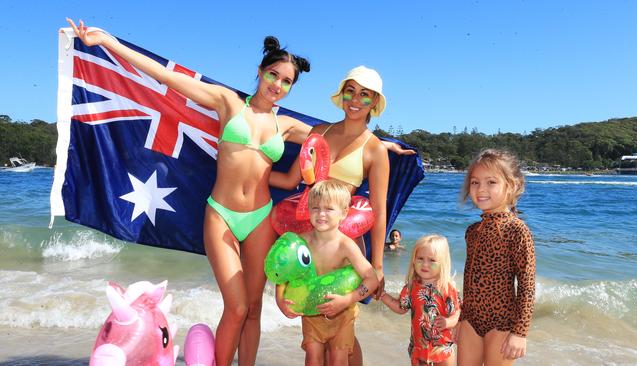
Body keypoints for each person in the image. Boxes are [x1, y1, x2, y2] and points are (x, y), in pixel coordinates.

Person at [67, 19, 313, 366]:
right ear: (260, 72)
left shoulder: (285, 126)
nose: (278, 85)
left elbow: (334, 138)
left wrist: (382, 148)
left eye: (287, 81)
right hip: (222, 215)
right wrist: (108, 42)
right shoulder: (228, 103)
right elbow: (168, 79)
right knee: (238, 305)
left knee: (255, 308)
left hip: (261, 217)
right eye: (273, 75)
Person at [270, 65, 395, 364]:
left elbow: (379, 210)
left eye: (364, 94)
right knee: (315, 320)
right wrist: (248, 173)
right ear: (342, 95)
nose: (355, 99)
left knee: (343, 326)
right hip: (311, 238)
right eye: (350, 91)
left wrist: (377, 264)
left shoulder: (375, 150)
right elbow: (289, 181)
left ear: (374, 103)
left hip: (345, 243)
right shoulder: (318, 133)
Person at [275, 179, 379, 366]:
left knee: (338, 359)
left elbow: (371, 278)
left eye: (329, 209)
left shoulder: (346, 245)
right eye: (315, 208)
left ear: (344, 213)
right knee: (312, 358)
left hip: (343, 313)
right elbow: (284, 275)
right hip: (312, 313)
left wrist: (347, 300)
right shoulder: (301, 243)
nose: (321, 214)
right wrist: (281, 301)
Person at [457, 149, 536, 366]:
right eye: (474, 182)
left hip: (502, 323)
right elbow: (468, 278)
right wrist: (461, 318)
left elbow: (527, 284)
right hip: (470, 321)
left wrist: (520, 332)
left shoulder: (517, 230)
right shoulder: (472, 231)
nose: (481, 189)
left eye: (491, 182)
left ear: (510, 186)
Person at [380, 234, 460, 366]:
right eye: (420, 259)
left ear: (442, 263)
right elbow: (401, 308)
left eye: (432, 260)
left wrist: (448, 322)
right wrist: (382, 295)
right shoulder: (411, 287)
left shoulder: (446, 288)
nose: (425, 264)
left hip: (442, 347)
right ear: (413, 260)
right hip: (418, 347)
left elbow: (457, 313)